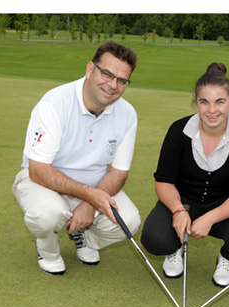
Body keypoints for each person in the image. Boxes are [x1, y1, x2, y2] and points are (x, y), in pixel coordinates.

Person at [12, 41, 141, 276]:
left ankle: (84, 237)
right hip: (43, 184)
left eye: (122, 80)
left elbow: (118, 173)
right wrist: (90, 197)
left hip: (92, 187)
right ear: (90, 69)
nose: (112, 85)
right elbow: (38, 170)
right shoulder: (54, 103)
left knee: (129, 222)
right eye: (107, 74)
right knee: (48, 214)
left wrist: (90, 204)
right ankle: (48, 250)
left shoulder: (127, 114)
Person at [141, 62, 229, 287]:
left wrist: (209, 218)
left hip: (224, 206)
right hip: (182, 202)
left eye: (220, 102)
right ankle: (174, 249)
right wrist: (178, 210)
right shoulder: (178, 130)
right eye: (203, 101)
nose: (211, 110)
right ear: (195, 102)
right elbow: (164, 181)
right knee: (154, 239)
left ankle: (227, 258)